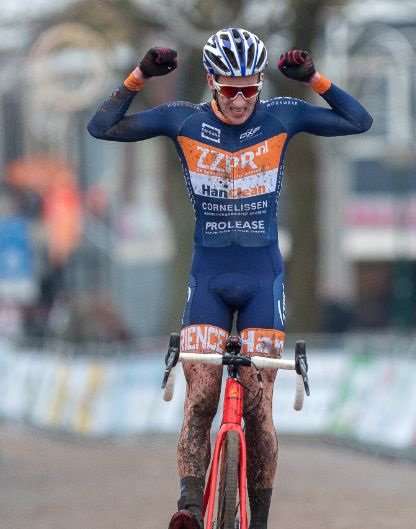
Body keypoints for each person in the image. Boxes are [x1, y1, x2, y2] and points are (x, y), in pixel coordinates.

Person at [87, 28, 372, 529]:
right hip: (209, 278)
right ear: (213, 82)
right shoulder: (183, 121)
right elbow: (101, 127)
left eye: (249, 89)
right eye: (230, 89)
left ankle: (257, 521)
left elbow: (358, 120)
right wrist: (141, 75)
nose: (240, 100)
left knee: (260, 411)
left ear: (260, 83)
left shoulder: (282, 113)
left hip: (263, 278)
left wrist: (315, 79)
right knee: (201, 398)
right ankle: (190, 508)